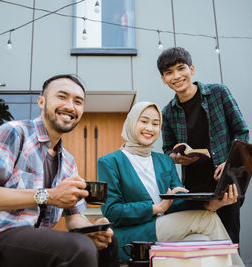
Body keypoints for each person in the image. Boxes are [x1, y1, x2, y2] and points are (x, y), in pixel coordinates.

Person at [0, 74, 119, 267]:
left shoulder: (68, 162)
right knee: (79, 249)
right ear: (41, 102)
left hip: (35, 242)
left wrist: (94, 228)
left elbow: (74, 218)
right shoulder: (13, 133)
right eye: (62, 97)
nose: (70, 106)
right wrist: (47, 195)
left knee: (109, 244)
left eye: (78, 101)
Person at [98, 101, 241, 262]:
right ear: (131, 122)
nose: (150, 128)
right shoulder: (110, 162)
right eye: (144, 121)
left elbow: (179, 201)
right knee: (208, 219)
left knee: (205, 242)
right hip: (134, 234)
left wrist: (212, 205)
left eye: (155, 123)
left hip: (169, 228)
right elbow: (112, 211)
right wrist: (156, 208)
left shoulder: (165, 161)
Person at [157, 47, 249, 244]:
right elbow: (167, 150)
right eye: (169, 72)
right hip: (192, 190)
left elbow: (242, 131)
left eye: (181, 68)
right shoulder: (168, 113)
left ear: (191, 69)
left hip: (225, 185)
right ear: (164, 79)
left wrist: (230, 162)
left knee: (228, 242)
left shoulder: (219, 93)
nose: (176, 76)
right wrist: (176, 157)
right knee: (199, 243)